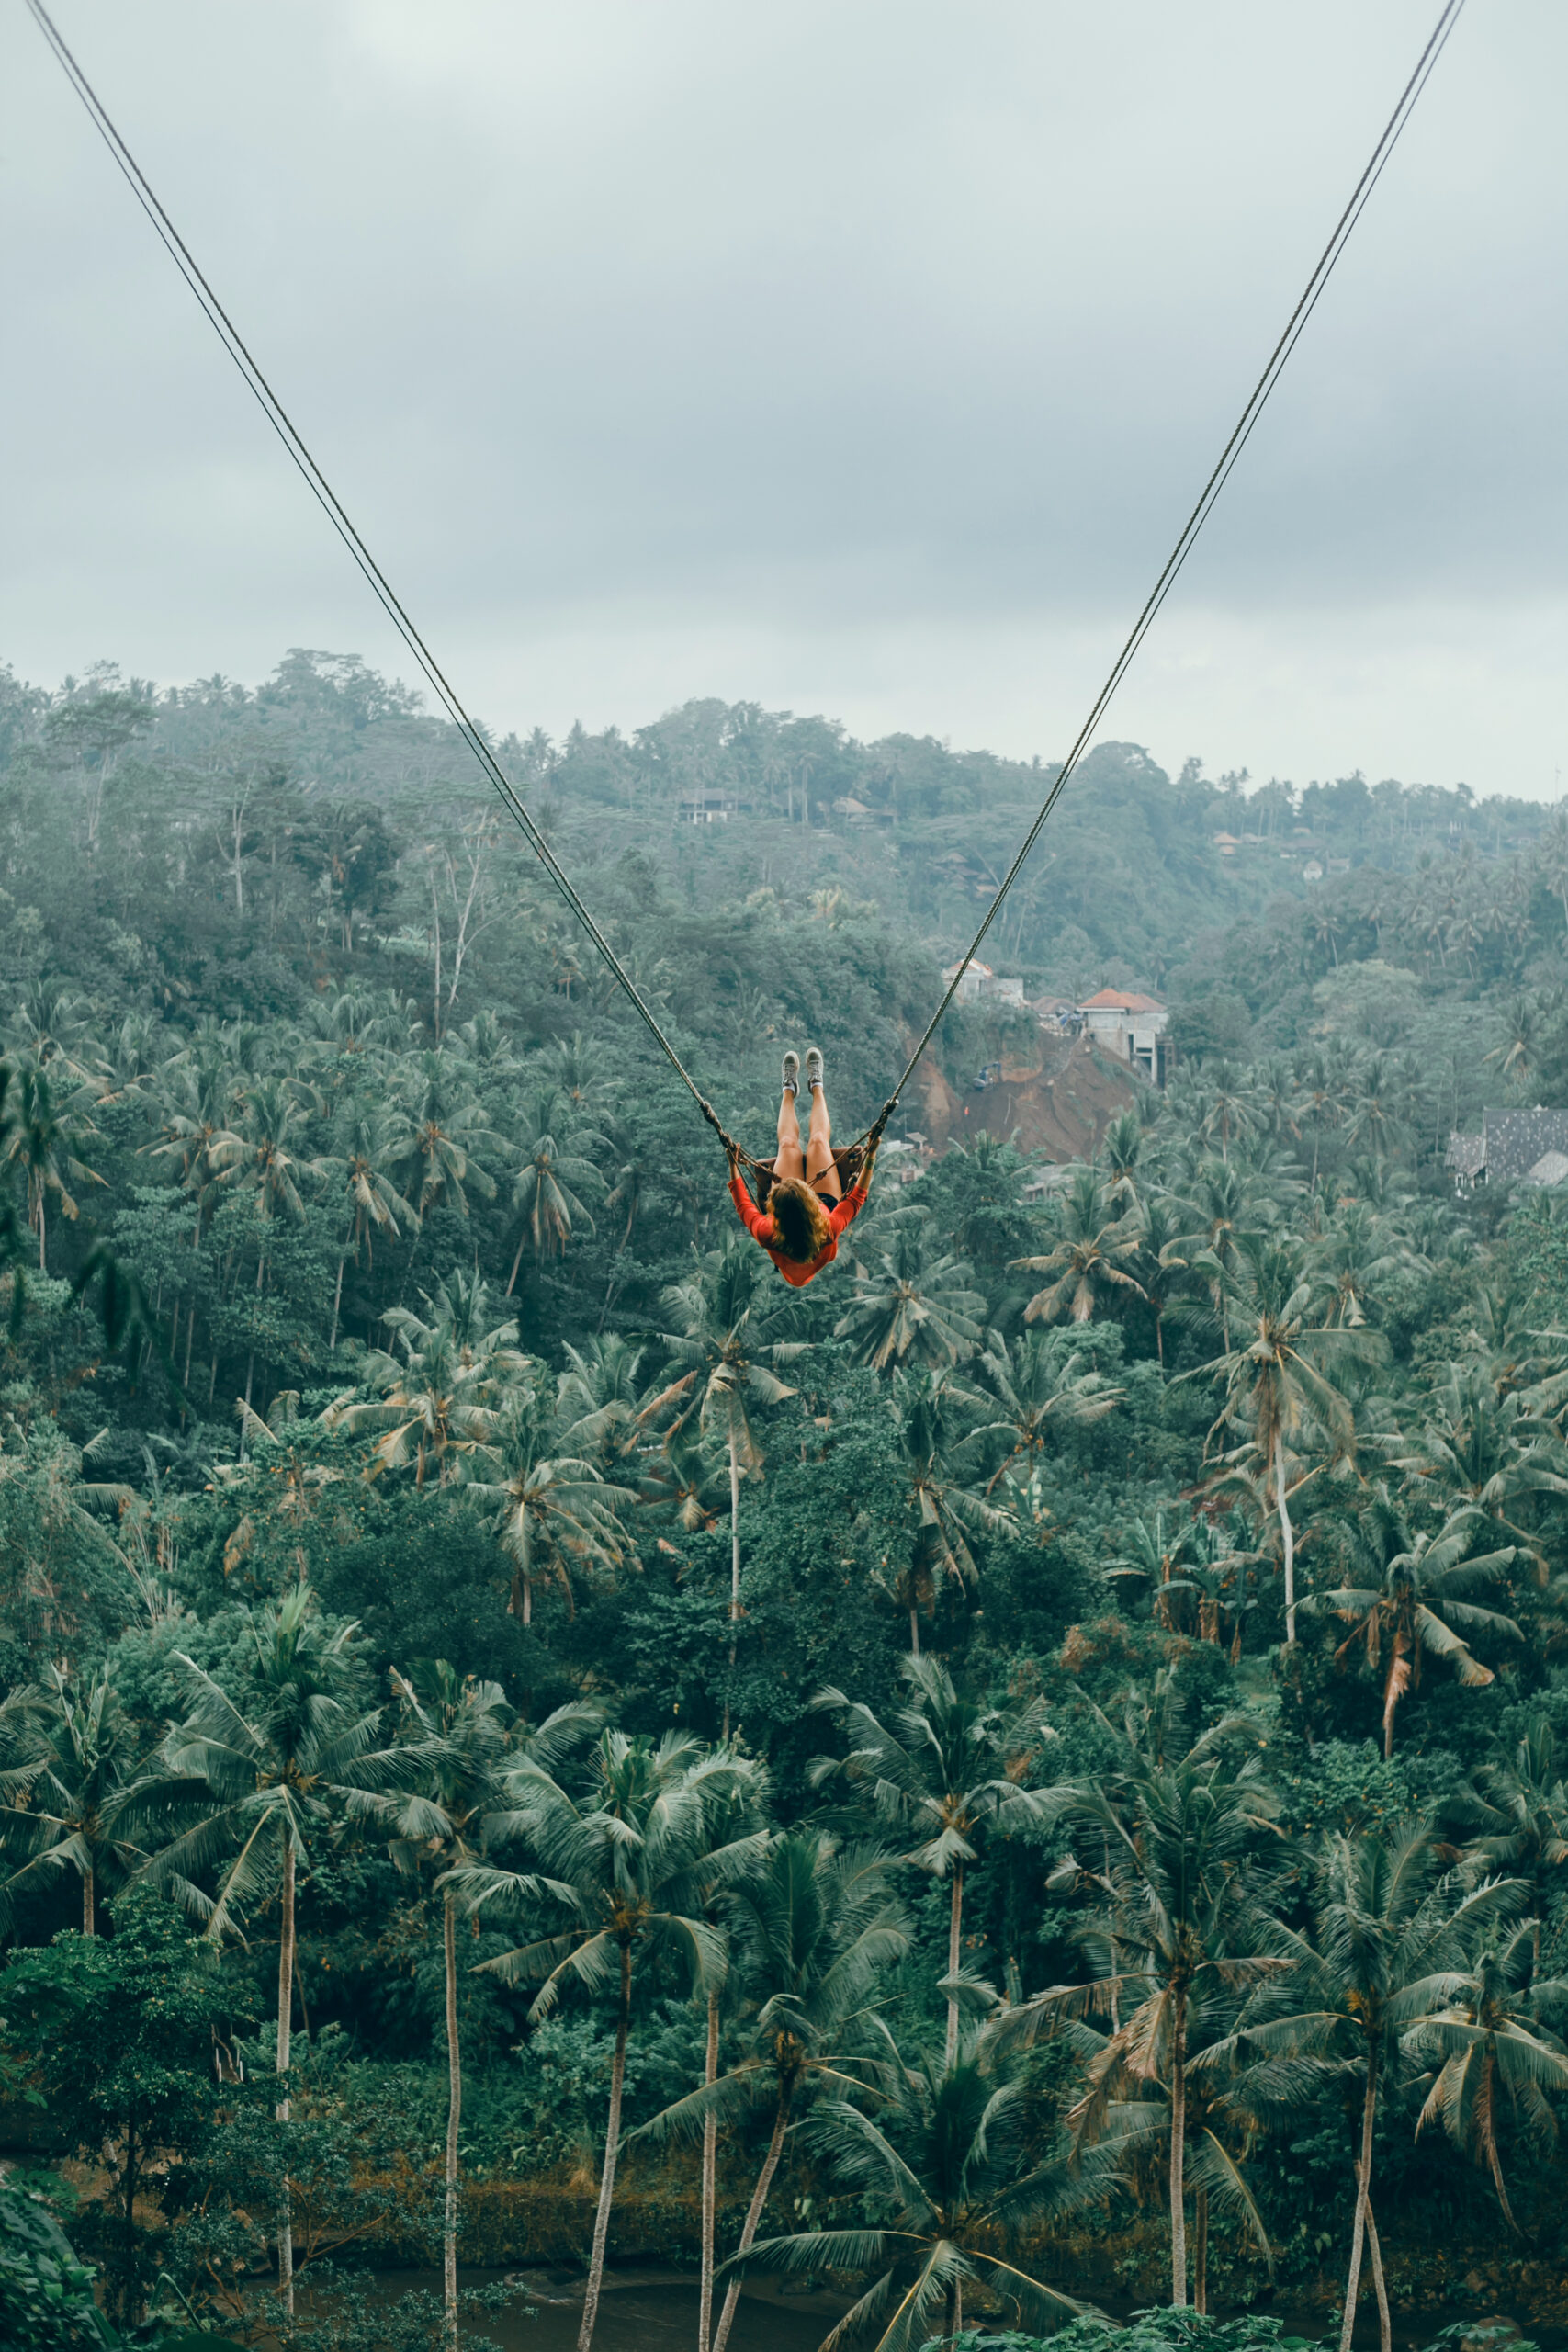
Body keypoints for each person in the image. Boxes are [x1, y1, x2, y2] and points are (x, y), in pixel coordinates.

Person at [728, 1046, 875, 1287]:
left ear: (776, 1213)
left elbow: (743, 1206)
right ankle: (817, 1086)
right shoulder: (828, 1228)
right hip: (823, 1203)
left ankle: (789, 1090)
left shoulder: (769, 1233)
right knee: (818, 1141)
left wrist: (732, 1164)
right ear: (810, 1200)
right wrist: (872, 1154)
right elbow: (857, 1198)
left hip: (797, 1213)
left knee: (787, 1146)